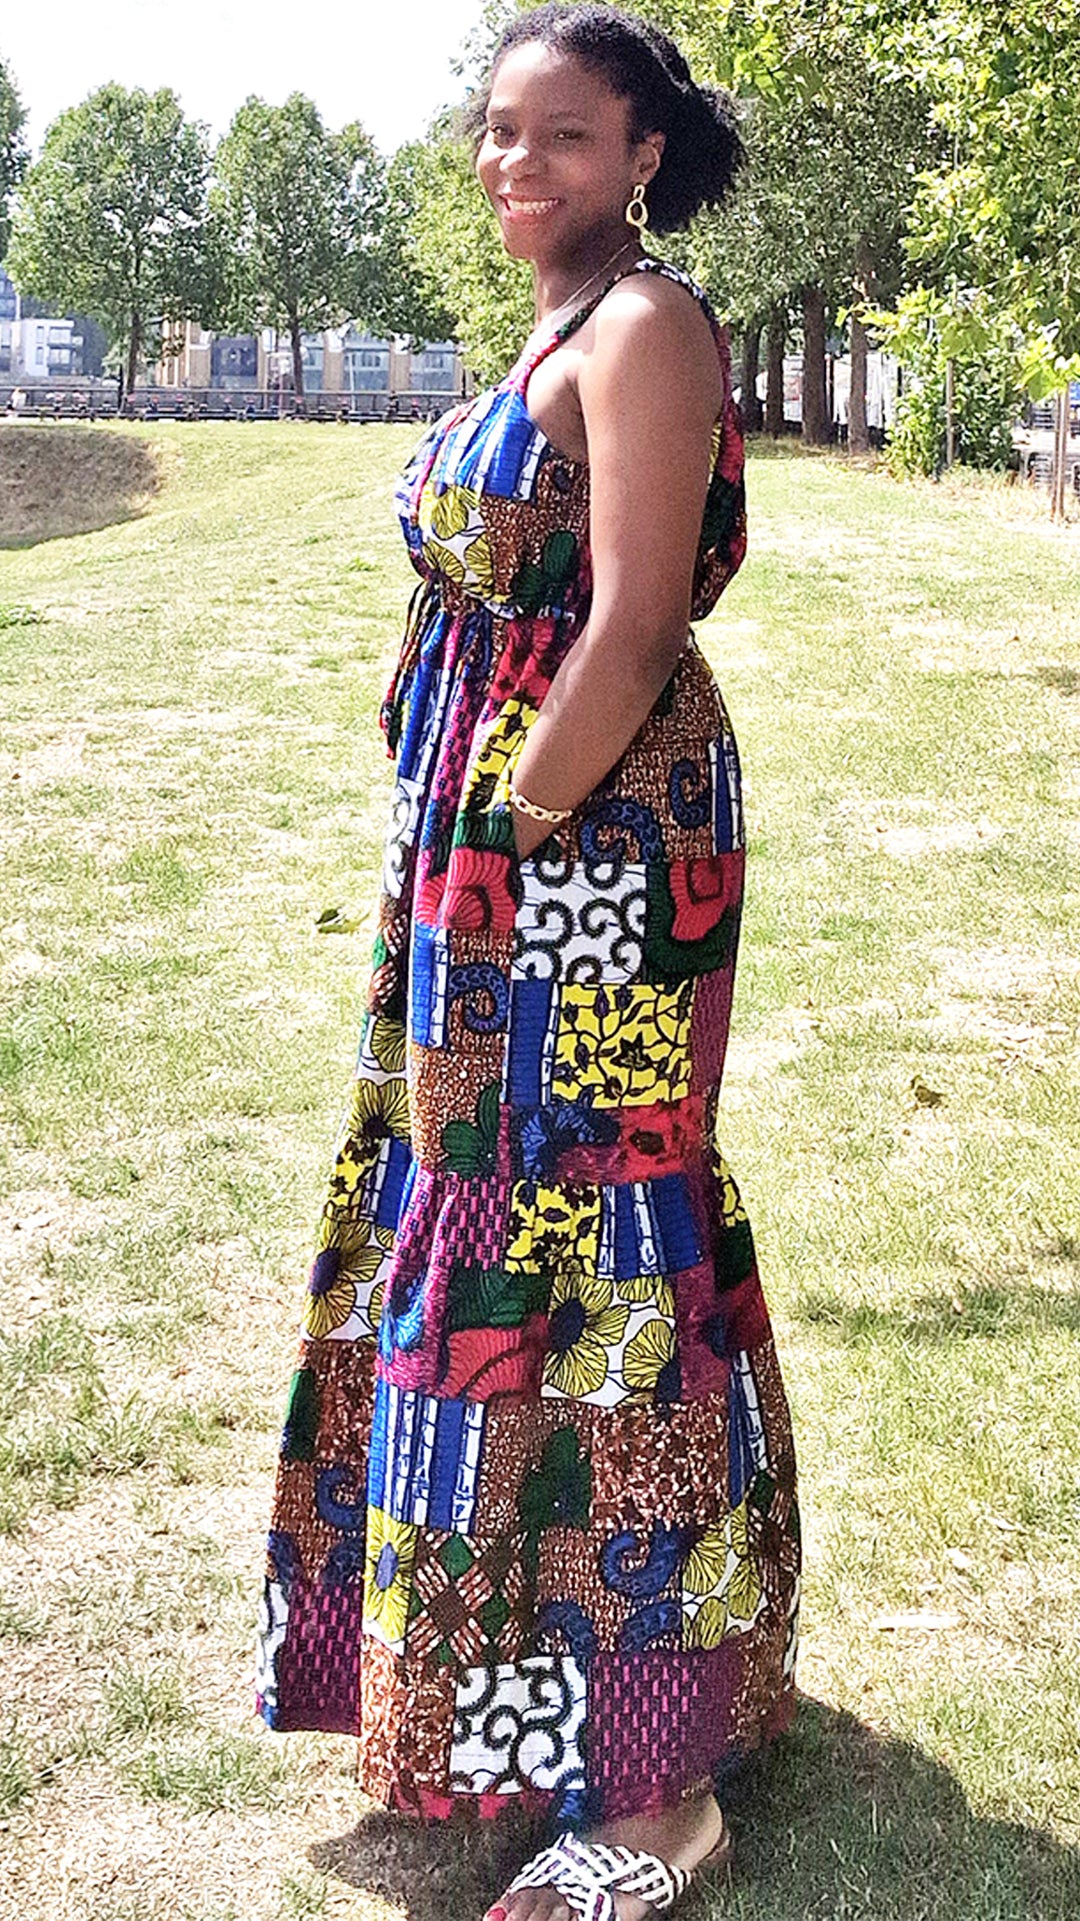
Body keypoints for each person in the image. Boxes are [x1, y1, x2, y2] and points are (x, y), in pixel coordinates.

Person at [257, 8, 800, 1918]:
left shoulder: (649, 328)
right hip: (496, 861)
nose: (517, 166)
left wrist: (506, 822)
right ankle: (511, 1697)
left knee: (589, 1248)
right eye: (498, 133)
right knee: (498, 1233)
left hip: (585, 858)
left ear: (643, 151)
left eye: (562, 137)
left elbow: (635, 626)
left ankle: (656, 1791)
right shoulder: (557, 329)